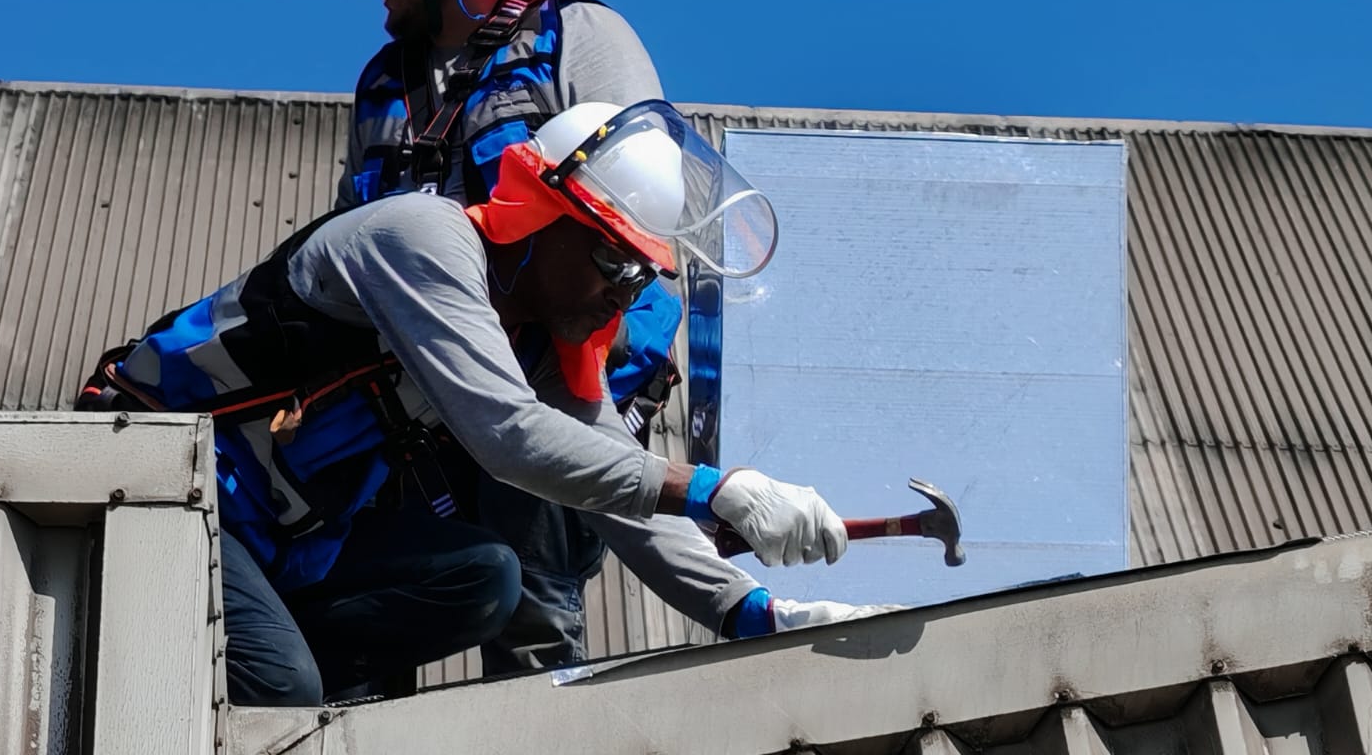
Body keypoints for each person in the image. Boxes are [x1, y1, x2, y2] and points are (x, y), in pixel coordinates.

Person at [78, 101, 854, 705]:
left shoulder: (539, 339)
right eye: (613, 258)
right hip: (166, 483)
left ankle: (276, 649)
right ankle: (274, 671)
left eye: (641, 275)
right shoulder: (422, 238)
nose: (623, 291)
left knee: (486, 578)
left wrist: (750, 612)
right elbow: (507, 436)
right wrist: (712, 487)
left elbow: (618, 483)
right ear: (547, 217)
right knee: (285, 690)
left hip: (281, 539)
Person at [336, 0, 752, 672]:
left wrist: (597, 403)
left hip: (554, 386)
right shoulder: (383, 84)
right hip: (413, 403)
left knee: (531, 623)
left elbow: (643, 218)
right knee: (374, 628)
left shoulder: (579, 37)